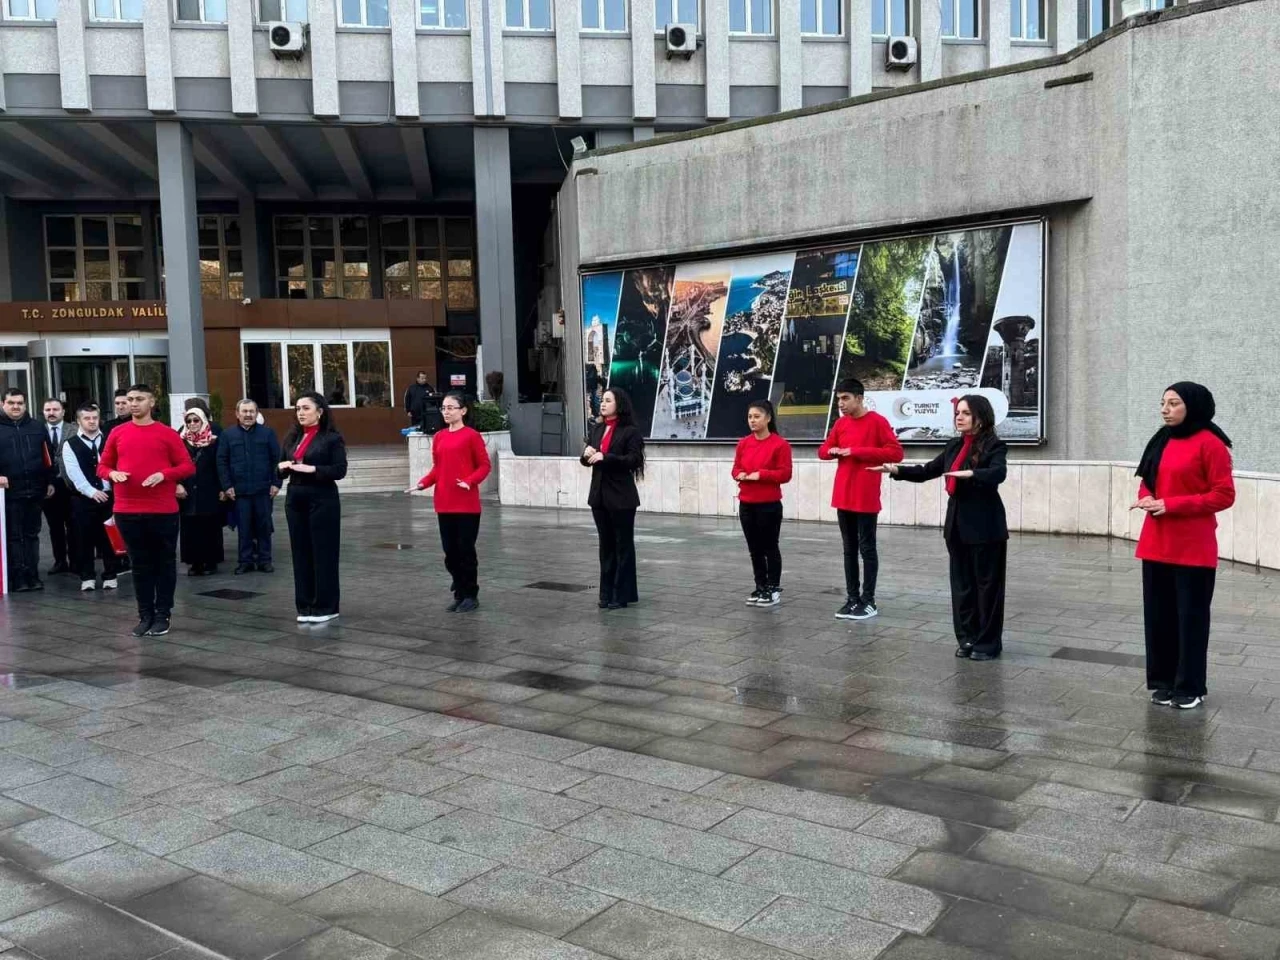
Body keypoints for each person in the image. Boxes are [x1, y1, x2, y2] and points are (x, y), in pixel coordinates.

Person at [873, 395, 1008, 660]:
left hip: (986, 526)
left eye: (966, 413)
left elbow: (998, 473)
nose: (959, 417)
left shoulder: (995, 445)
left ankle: (988, 643)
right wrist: (895, 469)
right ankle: (967, 638)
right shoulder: (953, 446)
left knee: (987, 587)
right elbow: (926, 471)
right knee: (962, 586)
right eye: (958, 412)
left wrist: (973, 474)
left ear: (980, 417)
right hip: (957, 526)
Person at [1132, 382, 1235, 710]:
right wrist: (1146, 498)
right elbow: (1147, 482)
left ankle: (1190, 686)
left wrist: (1172, 505)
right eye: (1163, 402)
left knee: (1190, 619)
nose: (1165, 409)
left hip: (1193, 547)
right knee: (1159, 618)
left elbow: (1224, 494)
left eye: (1173, 403)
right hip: (1156, 543)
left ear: (1192, 405)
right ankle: (1162, 681)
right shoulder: (1161, 440)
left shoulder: (1211, 444)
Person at [98, 383, 194, 637]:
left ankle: (163, 614)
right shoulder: (118, 432)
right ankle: (145, 615)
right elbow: (102, 466)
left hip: (162, 510)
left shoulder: (167, 433)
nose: (133, 403)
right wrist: (112, 473)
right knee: (139, 564)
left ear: (151, 402)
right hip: (127, 509)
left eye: (139, 399)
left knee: (163, 563)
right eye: (129, 399)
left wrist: (164, 474)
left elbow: (187, 466)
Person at [818, 378, 904, 620]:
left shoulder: (877, 422)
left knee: (867, 549)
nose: (841, 404)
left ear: (859, 397)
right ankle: (852, 598)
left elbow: (896, 452)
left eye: (845, 398)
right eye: (838, 399)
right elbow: (823, 451)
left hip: (865, 497)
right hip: (842, 496)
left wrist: (856, 451)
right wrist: (832, 451)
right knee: (848, 550)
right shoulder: (840, 424)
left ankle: (869, 601)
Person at [405, 392, 491, 613]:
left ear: (463, 410)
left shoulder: (471, 435)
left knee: (465, 551)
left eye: (451, 407)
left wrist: (469, 482)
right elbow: (437, 469)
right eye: (444, 408)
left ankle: (470, 594)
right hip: (444, 502)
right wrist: (423, 483)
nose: (446, 411)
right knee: (450, 553)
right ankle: (459, 590)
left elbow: (484, 466)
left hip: (466, 504)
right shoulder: (440, 437)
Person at [279, 392, 347, 624]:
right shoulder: (292, 437)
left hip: (322, 498)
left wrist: (313, 470)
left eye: (306, 408)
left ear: (320, 412)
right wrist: (283, 467)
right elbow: (279, 466)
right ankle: (305, 604)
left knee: (323, 553)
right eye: (298, 408)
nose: (300, 412)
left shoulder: (331, 438)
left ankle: (326, 606)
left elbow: (339, 470)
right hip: (295, 498)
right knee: (301, 553)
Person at [581, 386, 645, 610]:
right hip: (599, 496)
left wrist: (606, 458)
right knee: (605, 545)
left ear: (619, 404)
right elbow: (589, 458)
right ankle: (605, 593)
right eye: (602, 400)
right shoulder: (597, 429)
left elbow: (633, 460)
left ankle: (622, 594)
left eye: (608, 400)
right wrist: (586, 455)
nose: (603, 403)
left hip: (621, 497)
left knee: (622, 545)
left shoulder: (630, 432)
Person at [732, 400, 793, 607]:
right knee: (754, 548)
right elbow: (735, 469)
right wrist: (740, 474)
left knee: (769, 547)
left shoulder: (780, 444)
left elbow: (785, 474)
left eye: (757, 417)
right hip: (746, 503)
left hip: (769, 505)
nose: (752, 421)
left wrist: (761, 475)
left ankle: (773, 587)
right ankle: (760, 586)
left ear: (768, 418)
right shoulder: (743, 443)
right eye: (750, 417)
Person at [0, 388, 55, 592]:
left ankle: (32, 575)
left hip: (35, 491)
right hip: (9, 494)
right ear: (2, 404)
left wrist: (49, 481)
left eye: (20, 403)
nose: (16, 406)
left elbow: (48, 456)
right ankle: (17, 577)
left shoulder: (37, 426)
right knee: (14, 536)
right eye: (11, 403)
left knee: (32, 535)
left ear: (25, 404)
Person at [60, 403, 120, 592]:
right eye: (87, 418)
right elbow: (73, 473)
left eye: (95, 417)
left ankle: (111, 574)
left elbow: (115, 465)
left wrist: (109, 489)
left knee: (109, 537)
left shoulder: (109, 440)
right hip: (83, 498)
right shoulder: (70, 444)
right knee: (83, 538)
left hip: (109, 496)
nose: (92, 421)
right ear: (78, 421)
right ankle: (87, 576)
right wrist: (92, 491)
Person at [217, 399, 281, 575]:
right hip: (240, 491)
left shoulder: (267, 434)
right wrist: (227, 485)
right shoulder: (228, 435)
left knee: (264, 526)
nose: (248, 415)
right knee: (244, 528)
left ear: (257, 413)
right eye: (244, 411)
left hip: (263, 490)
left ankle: (264, 560)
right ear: (237, 414)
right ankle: (245, 561)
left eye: (251, 411)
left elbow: (277, 459)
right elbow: (221, 461)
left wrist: (277, 483)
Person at [176, 407, 225, 577]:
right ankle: (194, 562)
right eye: (189, 421)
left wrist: (222, 488)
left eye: (196, 420)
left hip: (209, 489)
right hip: (187, 490)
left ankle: (210, 562)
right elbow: (174, 464)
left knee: (209, 525)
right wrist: (177, 484)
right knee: (190, 526)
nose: (192, 424)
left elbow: (221, 465)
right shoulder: (181, 441)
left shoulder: (214, 440)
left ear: (203, 420)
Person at [40, 398, 76, 576]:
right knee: (55, 526)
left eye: (55, 409)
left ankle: (76, 560)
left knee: (73, 524)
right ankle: (60, 560)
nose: (51, 413)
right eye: (47, 409)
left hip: (71, 484)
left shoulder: (74, 429)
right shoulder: (38, 430)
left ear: (63, 411)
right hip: (49, 485)